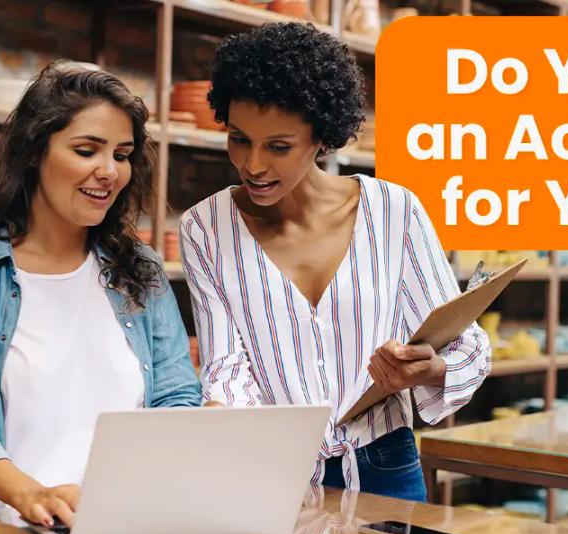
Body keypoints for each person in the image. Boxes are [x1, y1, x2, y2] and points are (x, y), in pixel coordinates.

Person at [180, 23, 491, 502]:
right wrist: (215, 425)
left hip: (385, 463)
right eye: (239, 139)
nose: (253, 164)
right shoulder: (205, 227)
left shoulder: (394, 210)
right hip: (268, 471)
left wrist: (426, 369)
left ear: (321, 137)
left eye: (278, 146)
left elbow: (462, 343)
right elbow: (226, 366)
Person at [0, 62, 202, 525]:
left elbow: (177, 398)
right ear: (36, 151)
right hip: (17, 527)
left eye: (121, 154)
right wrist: (32, 495)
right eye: (86, 150)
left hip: (129, 523)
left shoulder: (141, 269)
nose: (109, 172)